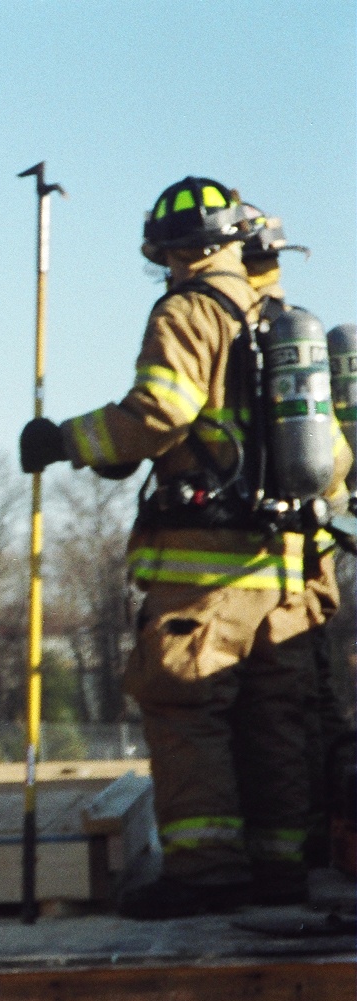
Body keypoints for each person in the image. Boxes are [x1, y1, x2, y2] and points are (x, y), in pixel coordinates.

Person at [19, 176, 353, 918]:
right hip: (290, 574)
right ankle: (278, 870)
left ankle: (204, 875)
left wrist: (67, 442)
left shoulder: (189, 310)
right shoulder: (285, 322)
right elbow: (332, 462)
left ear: (176, 253)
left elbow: (158, 413)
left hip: (205, 574)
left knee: (187, 711)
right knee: (276, 719)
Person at [238, 208, 356, 870]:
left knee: (272, 716)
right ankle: (323, 834)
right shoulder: (299, 332)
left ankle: (289, 852)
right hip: (312, 558)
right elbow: (334, 460)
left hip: (257, 560)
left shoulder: (244, 332)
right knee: (312, 705)